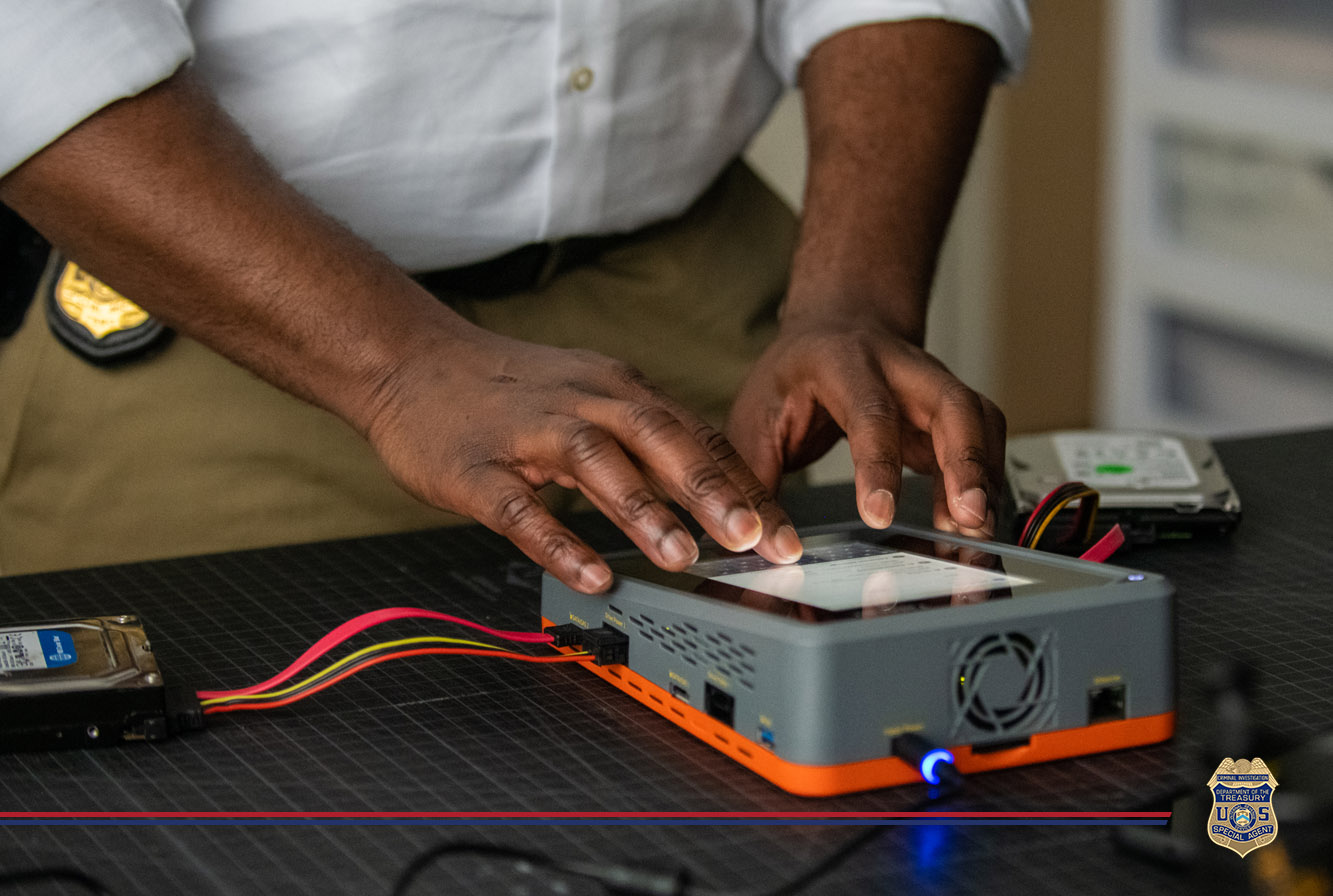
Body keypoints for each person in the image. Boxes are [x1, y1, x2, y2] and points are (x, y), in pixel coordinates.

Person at [0, 2, 1025, 592]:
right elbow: (34, 42)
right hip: (238, 325)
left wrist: (854, 295)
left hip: (710, 307)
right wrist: (402, 368)